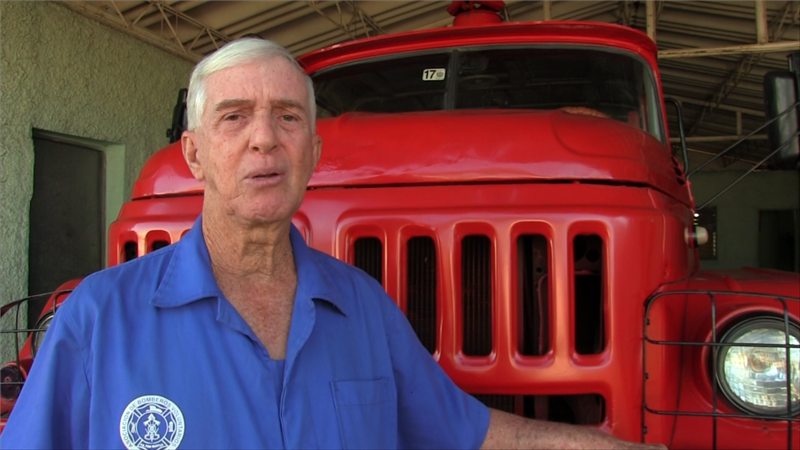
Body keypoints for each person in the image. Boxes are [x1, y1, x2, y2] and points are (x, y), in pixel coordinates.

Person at [1, 38, 665, 450]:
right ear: (195, 154)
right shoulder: (97, 320)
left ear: (313, 152)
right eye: (234, 118)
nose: (265, 139)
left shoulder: (363, 309)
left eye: (288, 118)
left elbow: (470, 432)